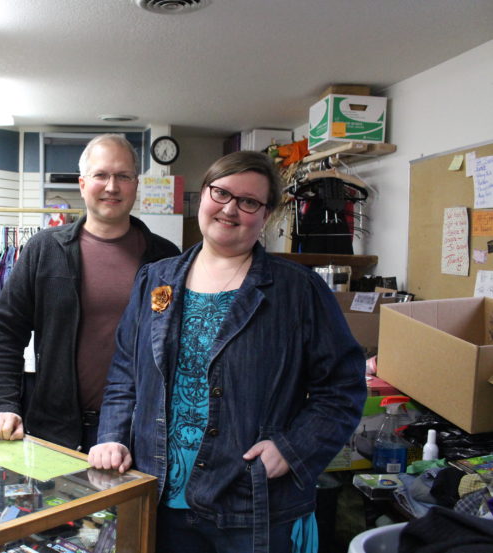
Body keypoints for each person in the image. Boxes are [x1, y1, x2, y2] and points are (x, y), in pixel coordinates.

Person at [88, 151, 366, 553]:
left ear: (266, 214)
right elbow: (125, 373)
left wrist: (293, 449)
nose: (230, 209)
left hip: (249, 501)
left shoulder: (297, 291)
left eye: (249, 201)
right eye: (221, 193)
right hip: (155, 491)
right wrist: (112, 435)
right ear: (203, 196)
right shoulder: (156, 279)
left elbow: (342, 388)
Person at [0, 133, 181, 451]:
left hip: (140, 433)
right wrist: (3, 404)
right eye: (101, 175)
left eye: (123, 176)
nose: (112, 186)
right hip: (55, 431)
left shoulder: (166, 258)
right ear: (82, 183)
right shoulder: (44, 250)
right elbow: (6, 333)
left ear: (136, 184)